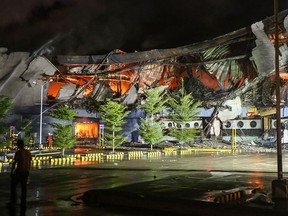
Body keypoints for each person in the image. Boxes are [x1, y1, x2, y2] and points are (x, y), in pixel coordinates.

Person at [10, 139, 32, 206]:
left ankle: (13, 201)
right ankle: (23, 201)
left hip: (19, 171)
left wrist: (12, 171)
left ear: (19, 145)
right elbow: (29, 162)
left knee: (13, 185)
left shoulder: (18, 152)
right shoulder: (28, 152)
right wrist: (28, 170)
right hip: (25, 171)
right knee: (24, 187)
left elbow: (15, 163)